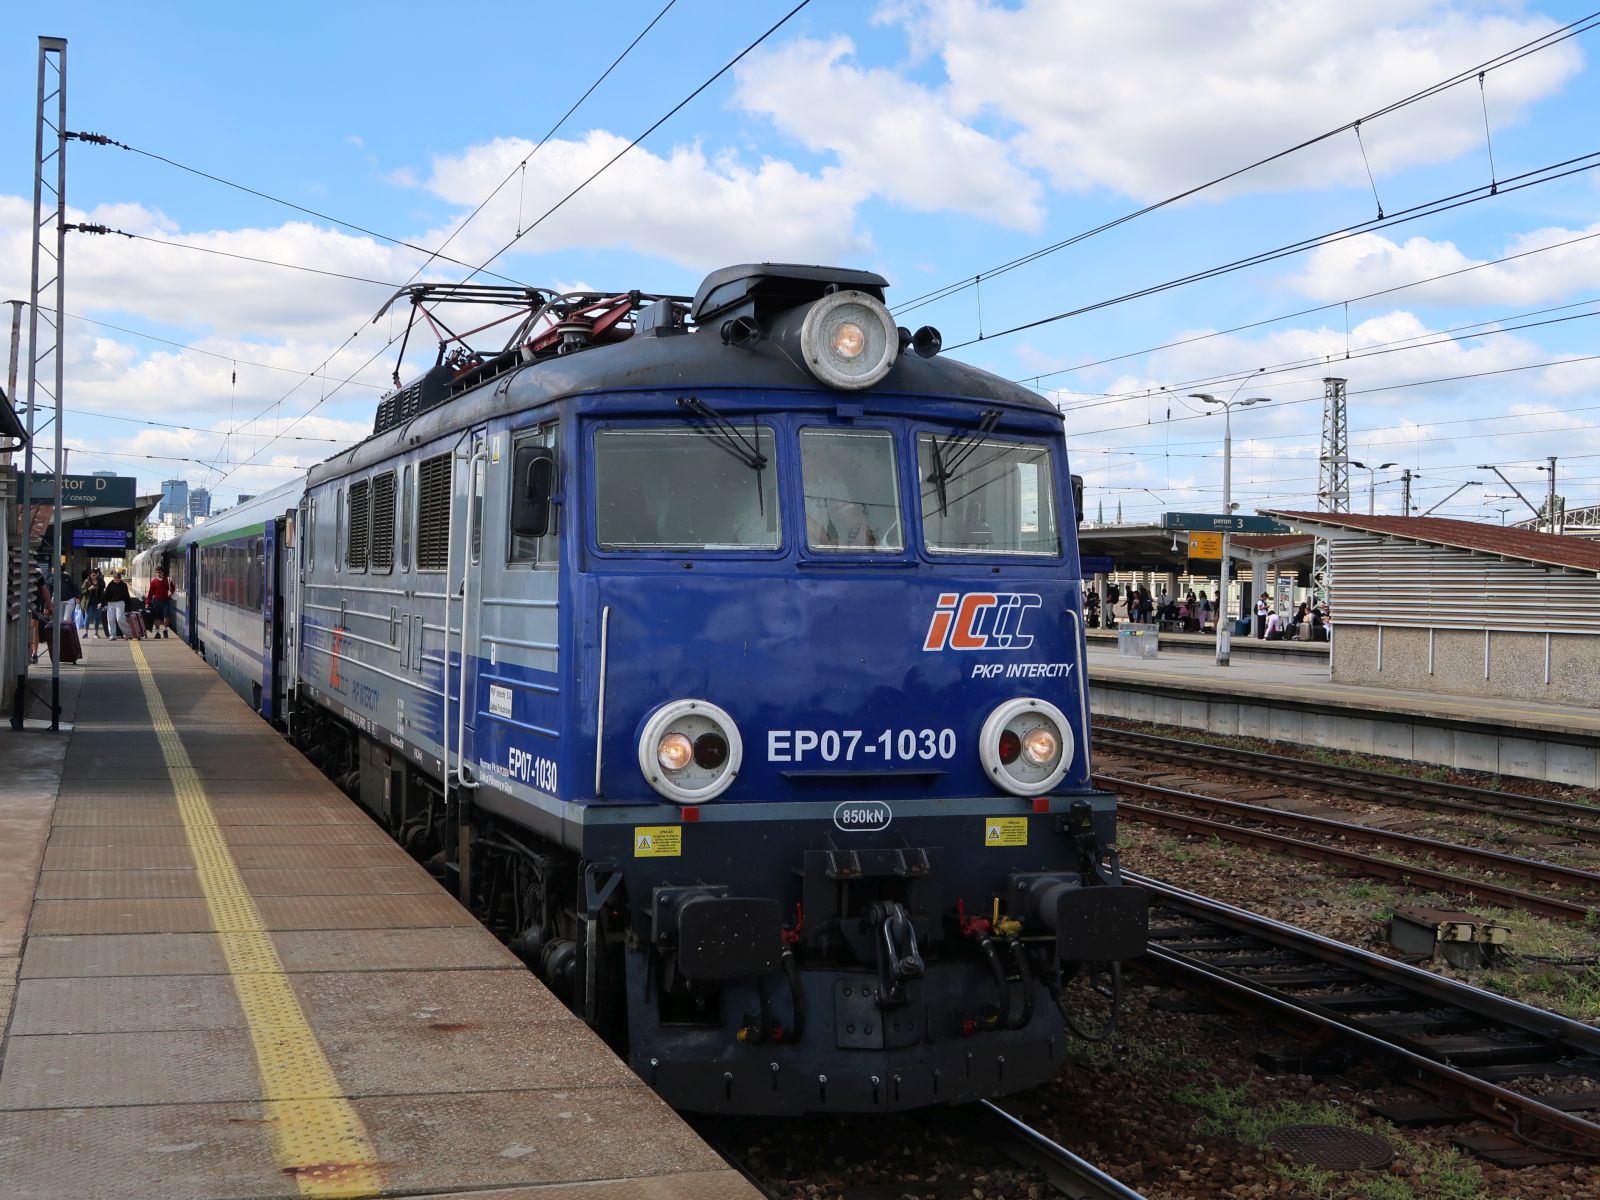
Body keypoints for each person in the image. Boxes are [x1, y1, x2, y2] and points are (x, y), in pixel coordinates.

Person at [27, 568, 52, 663]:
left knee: (33, 628)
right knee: (34, 629)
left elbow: (45, 590)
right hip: (33, 604)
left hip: (33, 604)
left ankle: (34, 653)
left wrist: (49, 605)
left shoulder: (37, 574)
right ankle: (33, 653)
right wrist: (49, 605)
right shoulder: (37, 574)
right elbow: (45, 591)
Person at [103, 569, 133, 639]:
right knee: (110, 619)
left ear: (120, 579)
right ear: (113, 579)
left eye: (118, 580)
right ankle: (112, 635)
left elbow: (127, 596)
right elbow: (106, 594)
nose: (117, 582)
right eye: (115, 580)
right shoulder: (110, 584)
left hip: (120, 603)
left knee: (120, 619)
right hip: (111, 603)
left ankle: (128, 633)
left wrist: (129, 607)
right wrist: (102, 603)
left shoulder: (123, 585)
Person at [147, 566, 174, 639]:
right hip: (156, 601)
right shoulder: (153, 582)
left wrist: (170, 594)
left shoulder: (168, 580)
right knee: (157, 617)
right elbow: (150, 593)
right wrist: (147, 602)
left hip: (166, 601)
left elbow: (173, 588)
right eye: (157, 572)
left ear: (163, 573)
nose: (158, 574)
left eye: (160, 572)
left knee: (166, 616)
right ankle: (157, 632)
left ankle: (165, 630)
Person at [81, 568, 104, 639]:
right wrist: (89, 589)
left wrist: (101, 602)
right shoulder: (87, 581)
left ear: (97, 575)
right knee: (88, 617)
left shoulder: (100, 581)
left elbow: (102, 592)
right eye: (92, 575)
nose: (93, 577)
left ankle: (96, 633)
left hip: (97, 602)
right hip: (88, 602)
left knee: (97, 617)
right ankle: (86, 633)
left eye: (95, 575)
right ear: (90, 575)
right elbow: (82, 591)